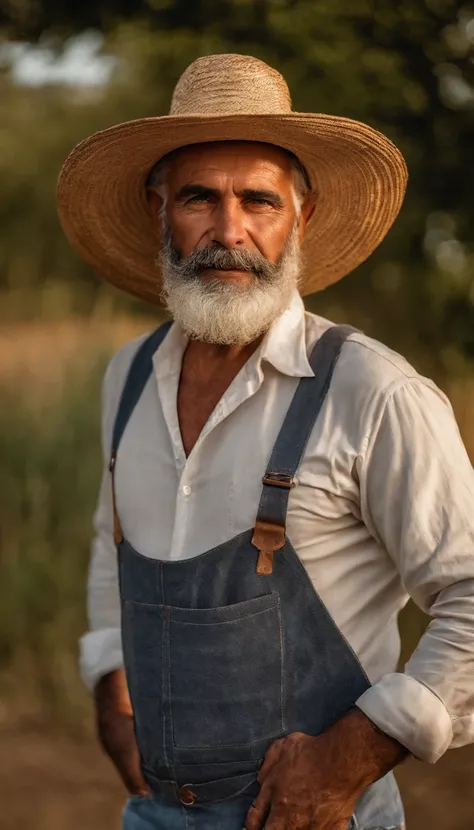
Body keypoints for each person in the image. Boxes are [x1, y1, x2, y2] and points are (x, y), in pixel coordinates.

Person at [57, 54, 474, 830]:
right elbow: (111, 544)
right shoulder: (129, 375)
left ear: (300, 218)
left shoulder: (372, 390)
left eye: (258, 200)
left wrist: (356, 751)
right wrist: (110, 682)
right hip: (151, 814)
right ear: (159, 213)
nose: (229, 232)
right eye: (198, 199)